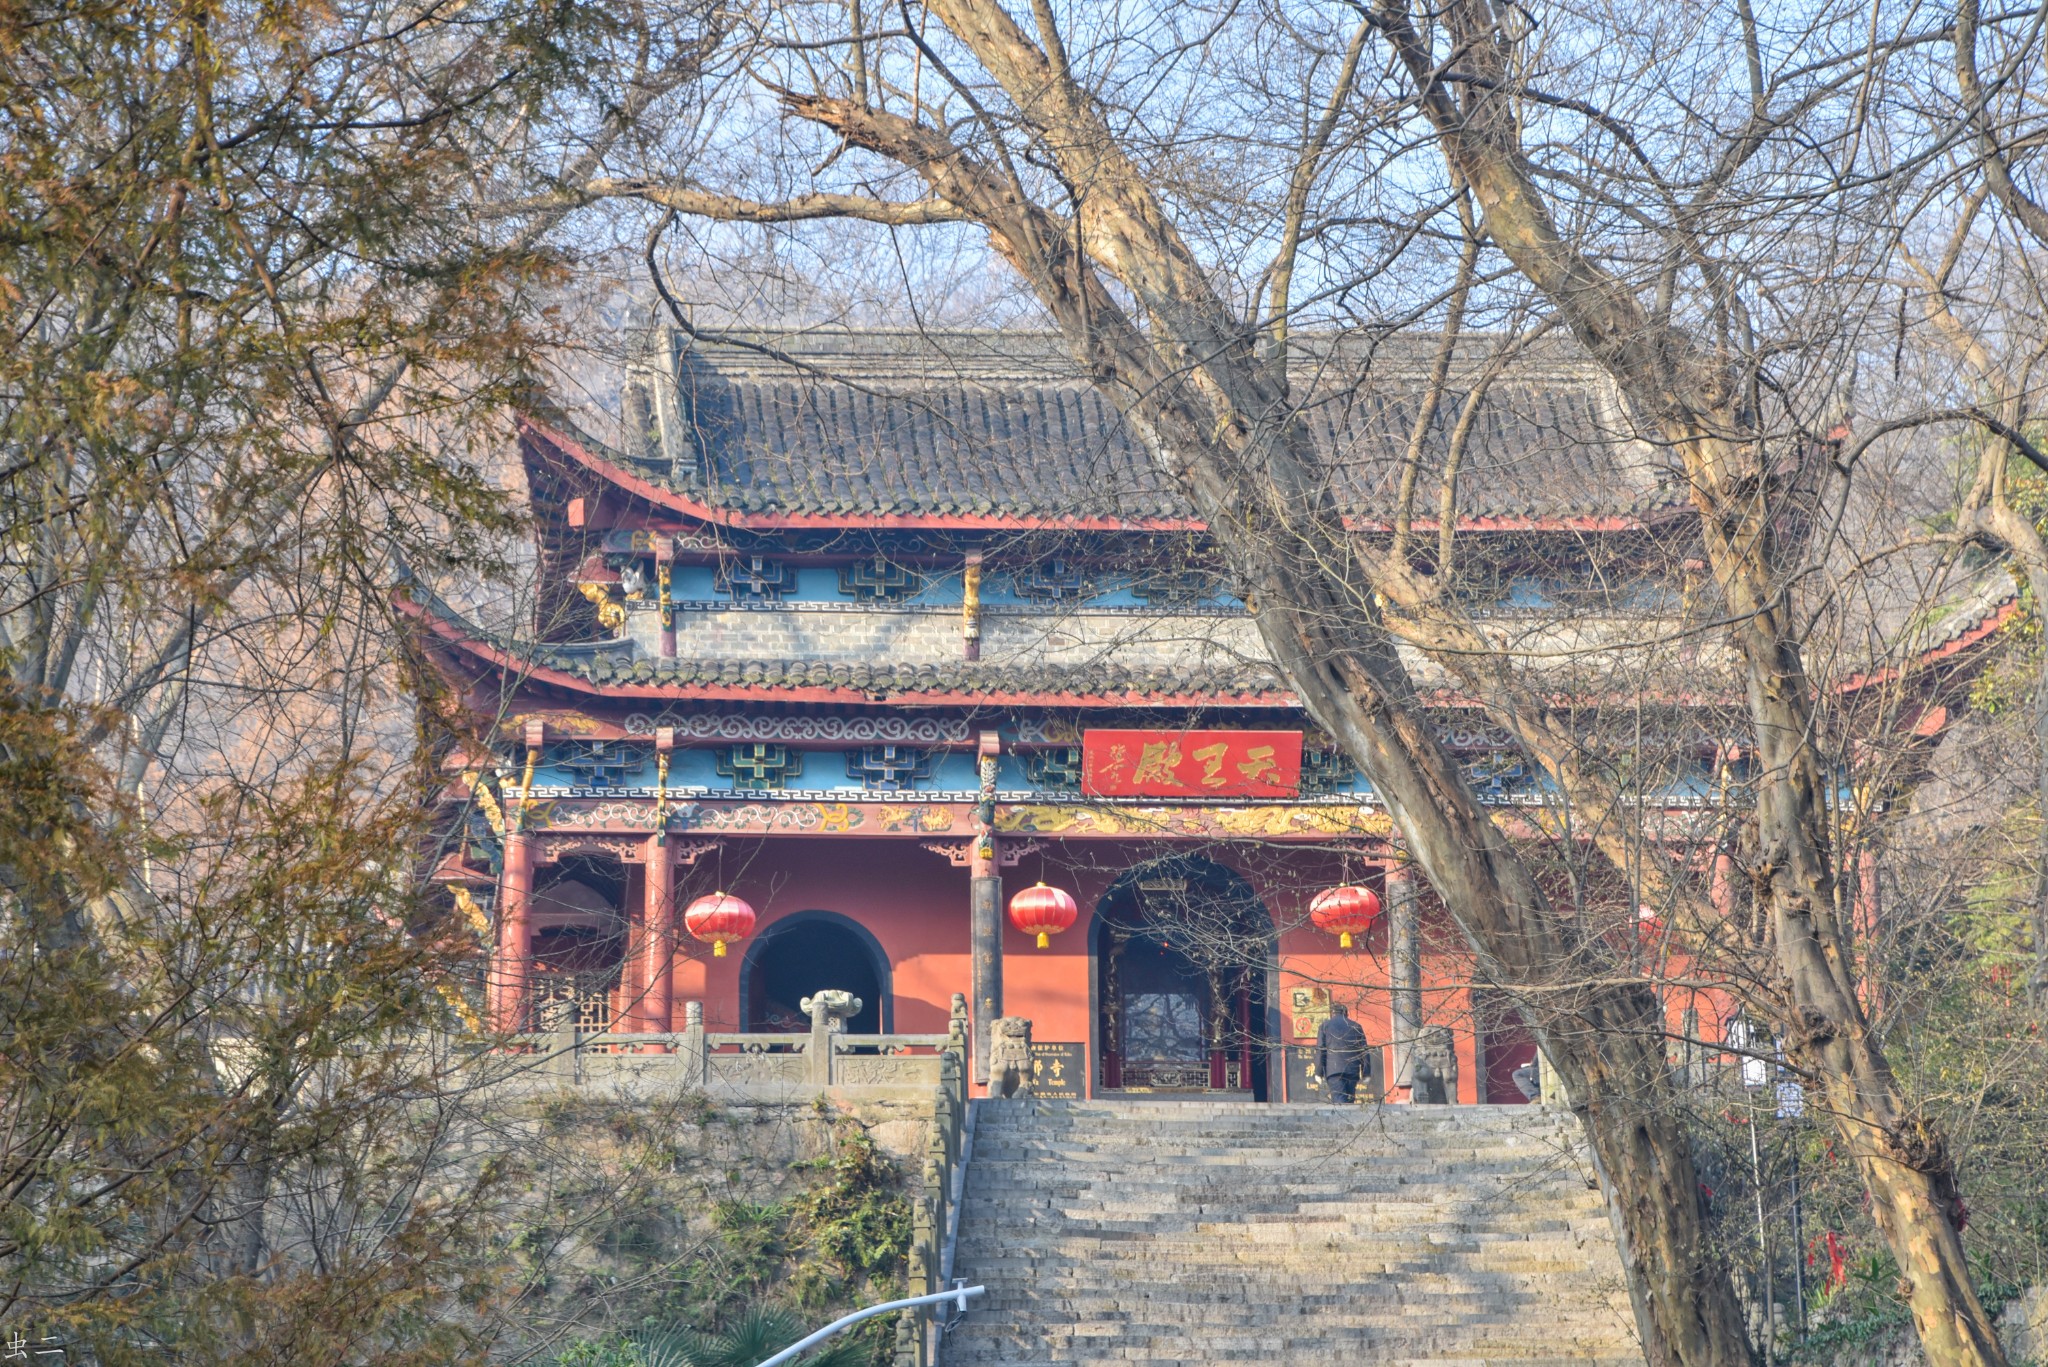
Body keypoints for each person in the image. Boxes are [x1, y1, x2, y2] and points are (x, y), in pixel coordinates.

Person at [1315, 1003, 1370, 1104]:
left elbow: (1321, 1050)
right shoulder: (1356, 1026)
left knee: (1340, 1102)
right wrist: (1366, 1072)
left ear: (1332, 1013)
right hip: (1352, 1070)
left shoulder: (1324, 1026)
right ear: (1346, 1013)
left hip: (1334, 1071)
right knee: (1349, 1101)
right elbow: (1364, 1050)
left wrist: (1319, 1072)